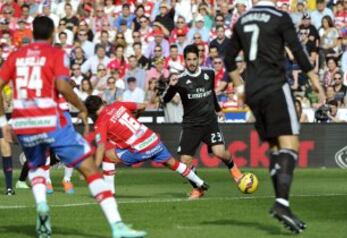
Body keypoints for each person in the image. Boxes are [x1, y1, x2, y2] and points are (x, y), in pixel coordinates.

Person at [0, 16, 145, 238]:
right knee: (89, 168)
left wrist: (3, 122)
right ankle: (117, 225)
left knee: (37, 165)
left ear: (32, 32)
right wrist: (81, 107)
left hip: (23, 122)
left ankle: (41, 206)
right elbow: (62, 85)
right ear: (52, 33)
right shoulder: (56, 54)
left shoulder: (16, 55)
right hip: (49, 119)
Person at [224, 0, 325, 234]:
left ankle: (282, 205)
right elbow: (298, 51)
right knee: (290, 144)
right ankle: (282, 203)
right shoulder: (280, 18)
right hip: (275, 87)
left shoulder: (242, 20)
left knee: (275, 148)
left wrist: (240, 87)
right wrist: (315, 82)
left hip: (253, 92)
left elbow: (228, 57)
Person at [162, 44, 244, 200]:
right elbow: (165, 100)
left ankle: (235, 171)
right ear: (184, 61)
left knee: (220, 152)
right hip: (191, 125)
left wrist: (218, 109)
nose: (192, 62)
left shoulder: (209, 73)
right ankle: (198, 189)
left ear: (199, 59)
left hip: (209, 122)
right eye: (188, 60)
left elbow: (211, 93)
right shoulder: (180, 80)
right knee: (185, 161)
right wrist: (171, 87)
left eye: (194, 59)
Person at [84, 95, 208, 196]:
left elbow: (101, 147)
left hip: (140, 148)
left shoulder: (100, 122)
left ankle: (110, 193)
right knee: (172, 163)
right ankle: (199, 182)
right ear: (101, 101)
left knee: (107, 156)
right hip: (153, 139)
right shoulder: (118, 105)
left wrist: (93, 168)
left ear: (91, 113)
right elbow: (142, 106)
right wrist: (136, 116)